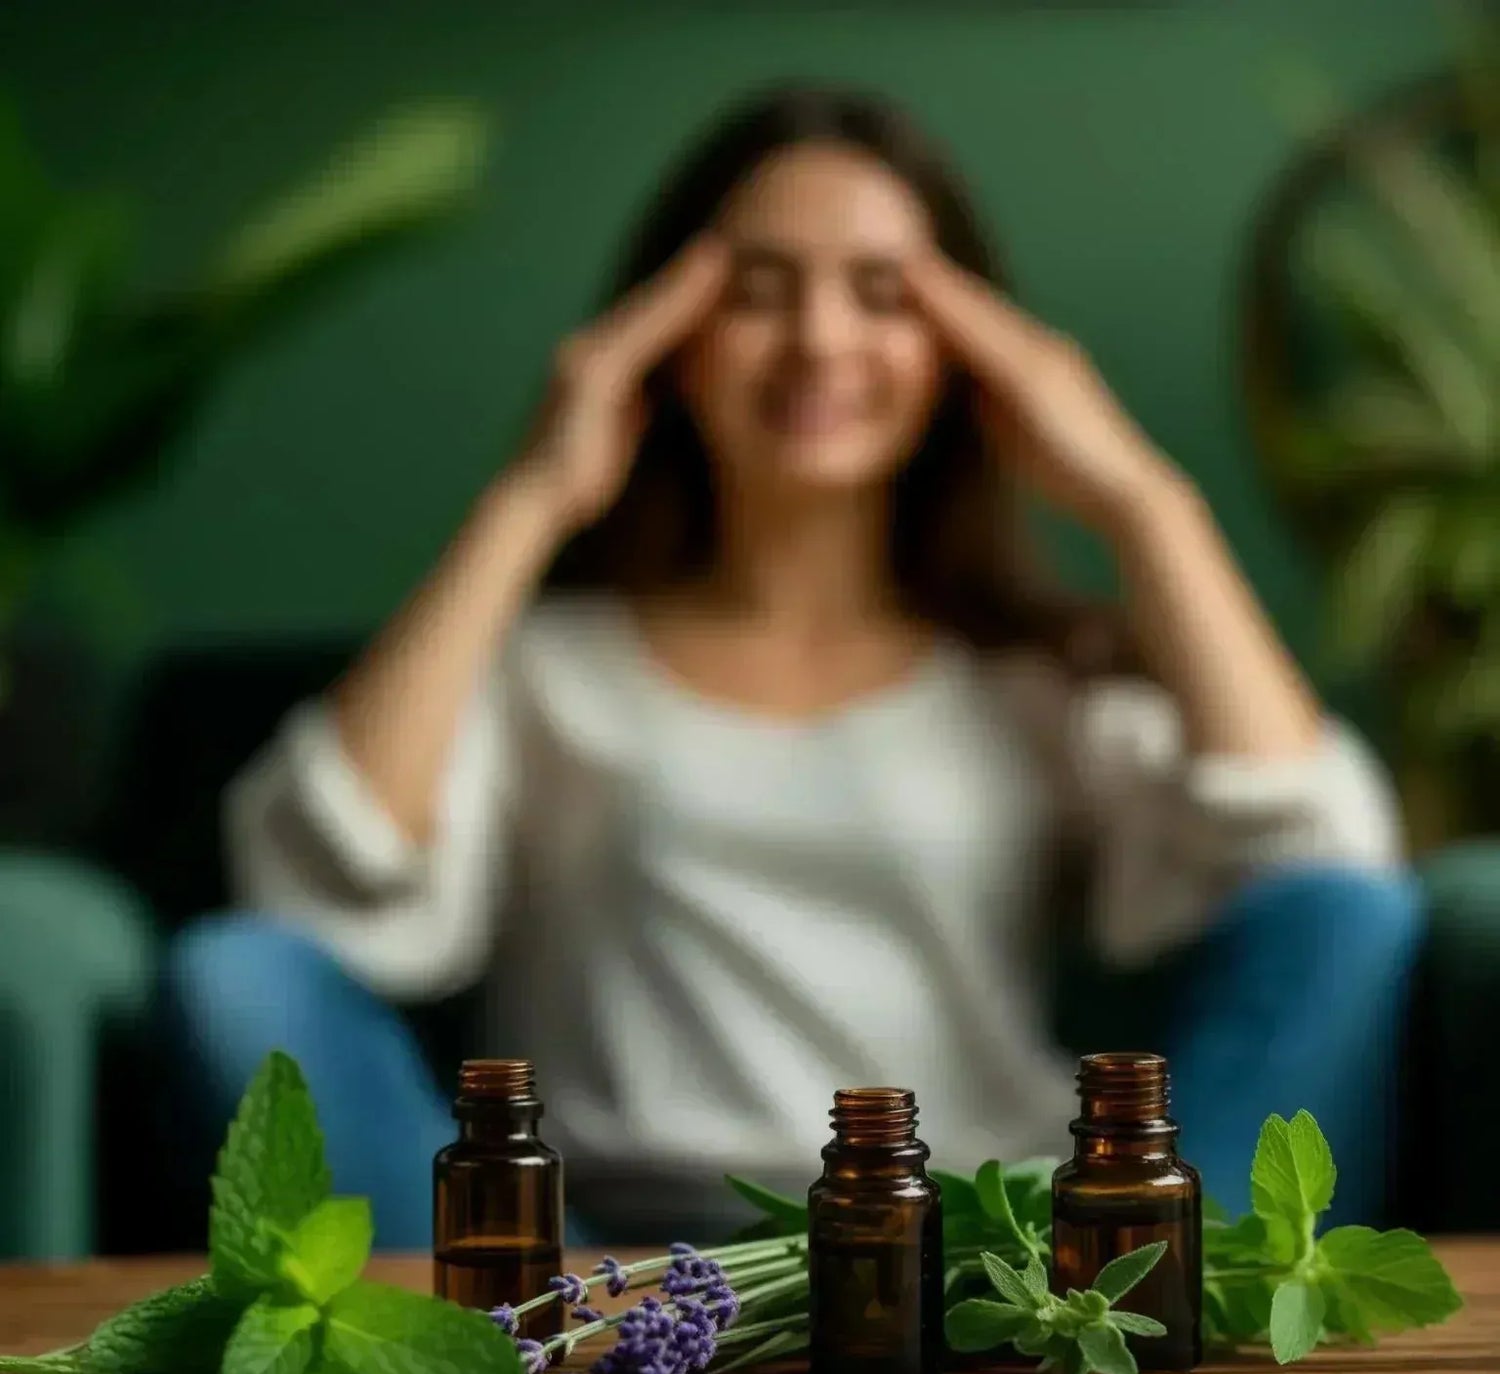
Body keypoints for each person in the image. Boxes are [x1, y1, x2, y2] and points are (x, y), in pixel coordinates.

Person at [166, 84, 1416, 1250]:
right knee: (237, 974)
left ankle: (1172, 1306)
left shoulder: (1031, 681)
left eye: (883, 291)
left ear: (963, 344)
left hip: (989, 1257)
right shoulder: (548, 671)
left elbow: (1321, 861)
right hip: (604, 1277)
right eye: (760, 288)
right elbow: (305, 894)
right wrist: (531, 495)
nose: (821, 339)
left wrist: (1144, 501)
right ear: (669, 330)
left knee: (1352, 919)